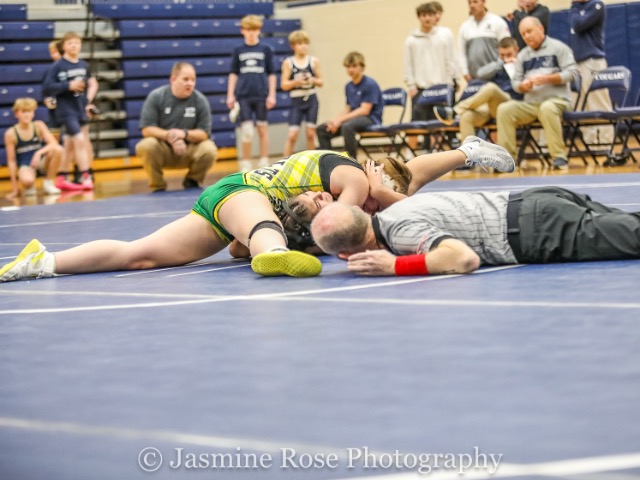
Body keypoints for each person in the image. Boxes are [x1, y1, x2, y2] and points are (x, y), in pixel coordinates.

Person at [0, 140, 515, 282]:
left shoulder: (363, 183)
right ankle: (271, 251)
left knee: (139, 256)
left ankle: (43, 260)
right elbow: (345, 230)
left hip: (227, 210)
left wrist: (462, 156)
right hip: (242, 194)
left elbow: (231, 250)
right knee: (263, 225)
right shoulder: (357, 184)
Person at [310, 187, 640, 277]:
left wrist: (395, 265)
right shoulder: (394, 212)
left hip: (539, 229)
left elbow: (463, 258)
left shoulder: (398, 233)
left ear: (346, 255)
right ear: (360, 212)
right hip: (537, 201)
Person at [496, 16, 578, 170]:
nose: (526, 36)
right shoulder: (522, 56)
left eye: (529, 31)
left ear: (541, 29)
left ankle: (559, 157)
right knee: (504, 109)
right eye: (523, 34)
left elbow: (573, 73)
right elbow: (515, 82)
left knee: (547, 108)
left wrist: (549, 78)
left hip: (558, 101)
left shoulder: (559, 48)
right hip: (531, 104)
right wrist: (522, 86)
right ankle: (507, 161)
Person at [135, 62, 218, 192]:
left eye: (193, 80)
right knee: (147, 145)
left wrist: (184, 134)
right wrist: (170, 136)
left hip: (189, 149)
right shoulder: (157, 96)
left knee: (209, 149)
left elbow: (204, 133)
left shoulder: (200, 100)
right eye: (185, 79)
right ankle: (158, 185)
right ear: (173, 79)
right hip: (163, 149)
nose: (190, 83)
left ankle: (193, 180)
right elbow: (147, 129)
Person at [434, 37, 522, 140]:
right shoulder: (498, 65)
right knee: (466, 116)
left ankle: (455, 111)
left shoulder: (522, 63)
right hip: (492, 106)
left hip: (512, 104)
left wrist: (516, 64)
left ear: (516, 50)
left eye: (509, 55)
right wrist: (502, 63)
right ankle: (469, 150)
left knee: (491, 88)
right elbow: (480, 74)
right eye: (502, 55)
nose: (505, 58)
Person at [42, 31, 97, 190]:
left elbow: (91, 85)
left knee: (69, 144)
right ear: (63, 46)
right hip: (65, 110)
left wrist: (87, 103)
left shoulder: (83, 65)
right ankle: (86, 175)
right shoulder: (58, 66)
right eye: (70, 43)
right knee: (79, 140)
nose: (74, 46)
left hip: (79, 107)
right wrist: (67, 86)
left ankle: (62, 176)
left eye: (77, 43)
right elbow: (47, 87)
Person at [227, 14, 277, 171]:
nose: (251, 33)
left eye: (254, 30)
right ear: (242, 31)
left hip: (261, 94)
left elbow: (271, 74)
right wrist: (230, 94)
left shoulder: (265, 49)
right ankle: (246, 163)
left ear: (259, 30)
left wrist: (272, 95)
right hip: (243, 96)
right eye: (248, 30)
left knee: (263, 128)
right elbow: (233, 73)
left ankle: (264, 160)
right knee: (247, 131)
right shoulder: (238, 50)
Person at [316, 51, 383, 160]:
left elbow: (364, 110)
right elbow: (348, 108)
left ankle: (351, 161)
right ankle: (328, 161)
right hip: (353, 118)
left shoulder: (369, 84)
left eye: (354, 66)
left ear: (362, 67)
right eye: (348, 67)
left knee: (347, 127)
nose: (351, 69)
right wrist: (335, 121)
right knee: (323, 129)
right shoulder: (348, 86)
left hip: (370, 118)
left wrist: (341, 120)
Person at [403, 2, 458, 130]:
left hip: (441, 89)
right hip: (420, 89)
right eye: (424, 15)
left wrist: (450, 83)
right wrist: (411, 86)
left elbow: (449, 61)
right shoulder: (411, 40)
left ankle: (440, 145)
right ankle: (414, 146)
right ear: (419, 17)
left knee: (440, 126)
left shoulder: (443, 37)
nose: (427, 18)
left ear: (435, 17)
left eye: (430, 15)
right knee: (416, 126)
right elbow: (407, 66)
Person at [569, 0, 613, 150]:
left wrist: (574, 6)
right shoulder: (576, 8)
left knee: (598, 102)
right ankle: (590, 144)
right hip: (577, 63)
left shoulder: (596, 5)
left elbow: (578, 25)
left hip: (593, 61)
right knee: (581, 105)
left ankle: (604, 144)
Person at [3, 98, 63, 199]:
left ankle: (49, 183)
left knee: (58, 150)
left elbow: (53, 143)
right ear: (16, 114)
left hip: (41, 163)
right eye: (23, 112)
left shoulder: (39, 125)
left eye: (29, 111)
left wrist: (38, 153)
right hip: (26, 165)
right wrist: (15, 189)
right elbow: (11, 161)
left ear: (33, 113)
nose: (26, 115)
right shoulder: (11, 133)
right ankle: (29, 186)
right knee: (27, 181)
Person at [280, 30, 323, 157]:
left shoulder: (313, 61)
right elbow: (284, 85)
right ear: (293, 46)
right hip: (296, 100)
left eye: (305, 43)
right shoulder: (288, 62)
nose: (303, 46)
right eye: (300, 43)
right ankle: (283, 163)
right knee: (292, 135)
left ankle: (313, 163)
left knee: (311, 134)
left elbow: (321, 82)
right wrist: (296, 82)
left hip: (311, 99)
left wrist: (312, 80)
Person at [458, 0, 511, 81]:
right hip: (473, 79)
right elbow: (461, 52)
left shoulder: (497, 22)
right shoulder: (465, 27)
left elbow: (507, 47)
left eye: (475, 2)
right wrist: (465, 73)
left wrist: (497, 68)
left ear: (483, 2)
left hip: (496, 77)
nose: (472, 5)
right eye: (469, 2)